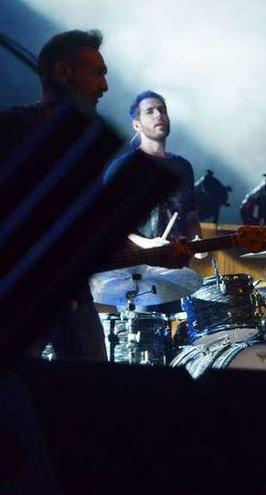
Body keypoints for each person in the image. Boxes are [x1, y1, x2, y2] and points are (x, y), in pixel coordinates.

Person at [0, 29, 109, 361]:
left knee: (94, 397)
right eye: (97, 73)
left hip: (74, 295)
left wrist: (158, 252)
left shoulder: (87, 146)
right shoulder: (11, 127)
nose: (104, 87)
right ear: (63, 73)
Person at [104, 90, 202, 251]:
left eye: (162, 110)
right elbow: (107, 222)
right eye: (150, 111)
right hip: (133, 268)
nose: (158, 115)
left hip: (175, 266)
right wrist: (147, 244)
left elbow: (191, 218)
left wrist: (197, 240)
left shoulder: (183, 166)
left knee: (192, 278)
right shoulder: (123, 167)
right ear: (137, 125)